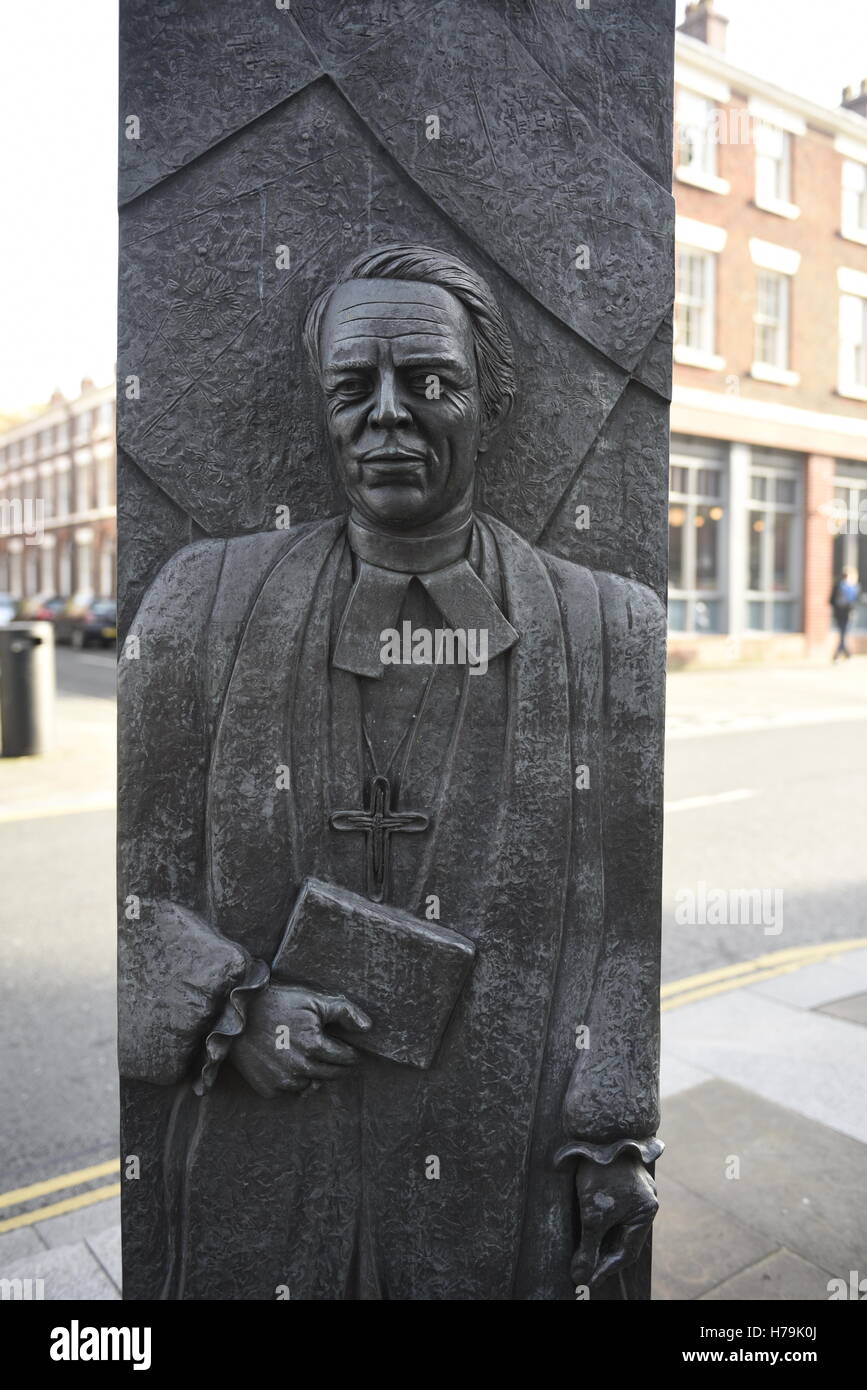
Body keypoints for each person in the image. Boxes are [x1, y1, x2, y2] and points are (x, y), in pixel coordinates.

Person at [119, 245, 665, 1300]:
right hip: (265, 1166)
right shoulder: (201, 604)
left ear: (489, 399)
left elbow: (626, 914)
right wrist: (229, 1009)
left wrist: (610, 1131)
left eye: (429, 382)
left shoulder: (610, 631)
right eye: (351, 387)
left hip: (495, 1161)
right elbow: (132, 883)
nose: (387, 415)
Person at [830, 566, 861, 661]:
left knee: (843, 633)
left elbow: (856, 601)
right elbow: (831, 600)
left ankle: (843, 652)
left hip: (846, 614)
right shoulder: (843, 586)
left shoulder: (853, 587)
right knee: (843, 633)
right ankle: (842, 653)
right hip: (842, 614)